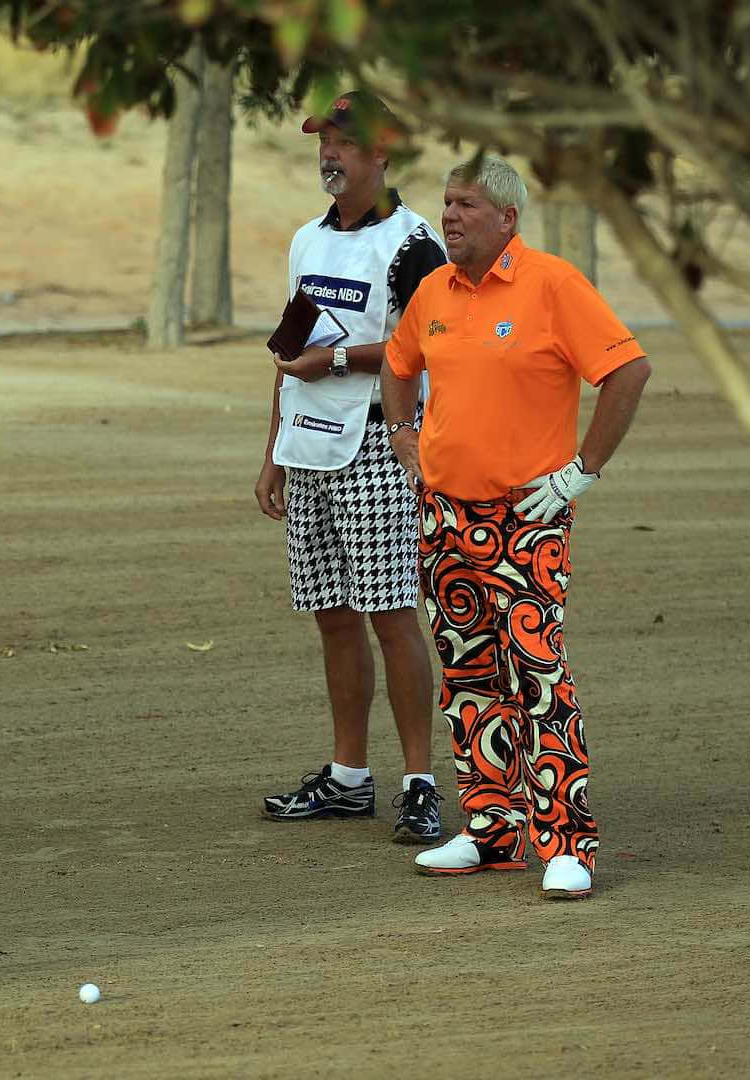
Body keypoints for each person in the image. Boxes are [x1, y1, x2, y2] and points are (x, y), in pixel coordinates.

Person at [381, 154, 653, 899]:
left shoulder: (553, 284)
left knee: (537, 675)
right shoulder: (433, 289)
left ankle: (566, 840)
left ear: (507, 218)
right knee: (468, 676)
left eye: (466, 204)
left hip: (524, 521)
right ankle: (490, 829)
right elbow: (399, 362)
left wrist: (579, 472)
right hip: (442, 517)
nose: (450, 216)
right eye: (445, 202)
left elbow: (627, 370)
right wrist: (402, 433)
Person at [255, 92, 448, 843]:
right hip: (307, 448)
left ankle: (420, 784)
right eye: (322, 144)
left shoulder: (412, 245)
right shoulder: (307, 239)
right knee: (332, 618)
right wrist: (271, 452)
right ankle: (345, 779)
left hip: (377, 444)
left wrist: (333, 359)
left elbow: (426, 346)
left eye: (344, 144)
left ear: (381, 156)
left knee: (391, 616)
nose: (329, 155)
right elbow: (285, 350)